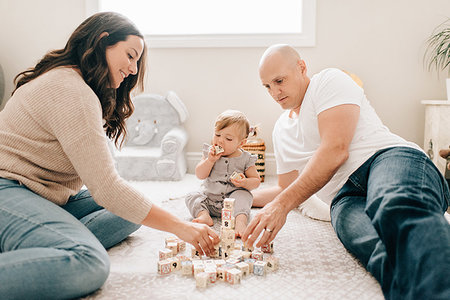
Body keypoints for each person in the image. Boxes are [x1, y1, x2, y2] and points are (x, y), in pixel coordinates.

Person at [0, 12, 219, 299]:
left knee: (131, 212)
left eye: (137, 61)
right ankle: (49, 242)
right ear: (103, 41)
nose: (133, 68)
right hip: (9, 190)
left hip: (42, 193)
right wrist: (181, 228)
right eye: (130, 55)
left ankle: (40, 239)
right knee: (88, 262)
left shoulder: (75, 83)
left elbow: (110, 191)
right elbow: (106, 187)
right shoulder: (72, 90)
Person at [242, 44, 450, 299]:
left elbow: (336, 150)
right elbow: (285, 189)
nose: (274, 92)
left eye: (279, 81)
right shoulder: (280, 130)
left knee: (397, 208)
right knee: (376, 248)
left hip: (386, 159)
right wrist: (238, 197)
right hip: (344, 198)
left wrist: (281, 206)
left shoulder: (329, 81)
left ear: (301, 67)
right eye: (267, 86)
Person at [186, 109, 261, 237]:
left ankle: (240, 222)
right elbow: (200, 174)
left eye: (228, 139)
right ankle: (204, 215)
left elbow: (256, 181)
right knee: (192, 196)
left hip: (232, 202)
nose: (220, 141)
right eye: (217, 135)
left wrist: (245, 182)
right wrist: (210, 161)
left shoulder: (246, 159)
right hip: (209, 199)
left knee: (244, 196)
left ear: (241, 143)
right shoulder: (210, 153)